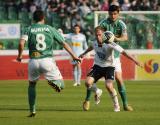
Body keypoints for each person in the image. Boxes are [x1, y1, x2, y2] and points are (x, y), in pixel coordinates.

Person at [16, 10, 81, 117]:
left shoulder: (29, 29)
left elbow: (21, 43)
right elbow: (63, 43)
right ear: (43, 18)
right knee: (61, 86)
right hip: (47, 61)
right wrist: (74, 56)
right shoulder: (50, 28)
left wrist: (19, 56)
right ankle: (52, 81)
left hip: (33, 61)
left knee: (32, 85)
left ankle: (32, 110)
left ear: (33, 19)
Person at [80, 26, 143, 112]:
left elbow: (124, 52)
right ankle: (98, 91)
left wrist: (135, 61)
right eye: (96, 35)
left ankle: (117, 106)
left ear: (103, 35)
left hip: (109, 67)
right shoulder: (94, 42)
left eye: (99, 35)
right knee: (87, 83)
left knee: (109, 86)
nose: (98, 37)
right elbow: (91, 47)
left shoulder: (110, 43)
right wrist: (83, 54)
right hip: (97, 66)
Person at [98, 4, 134, 111]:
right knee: (93, 80)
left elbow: (125, 37)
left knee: (119, 79)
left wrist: (114, 38)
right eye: (111, 14)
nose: (113, 16)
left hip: (116, 56)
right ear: (108, 13)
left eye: (115, 14)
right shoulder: (103, 23)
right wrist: (104, 39)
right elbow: (99, 36)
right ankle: (89, 98)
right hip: (105, 56)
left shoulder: (121, 24)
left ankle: (125, 104)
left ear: (118, 13)